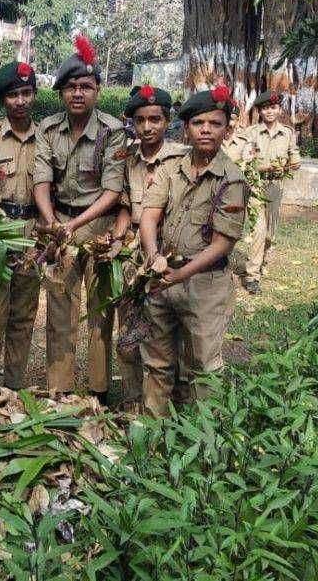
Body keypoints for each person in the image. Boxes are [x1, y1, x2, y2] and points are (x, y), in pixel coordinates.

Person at [138, 85, 250, 417]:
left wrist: (180, 274)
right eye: (198, 123)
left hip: (205, 285)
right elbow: (149, 215)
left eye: (215, 124)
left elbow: (222, 243)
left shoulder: (231, 180)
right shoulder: (171, 168)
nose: (206, 130)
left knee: (202, 365)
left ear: (226, 129)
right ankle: (153, 428)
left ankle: (201, 435)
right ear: (186, 128)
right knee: (157, 360)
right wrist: (154, 256)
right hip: (163, 276)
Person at [33, 35, 125, 403]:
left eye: (86, 86)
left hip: (98, 227)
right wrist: (52, 221)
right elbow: (42, 180)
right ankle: (61, 390)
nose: (78, 93)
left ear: (98, 90)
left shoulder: (112, 131)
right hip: (58, 224)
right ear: (60, 93)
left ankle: (99, 391)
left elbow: (112, 191)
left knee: (100, 312)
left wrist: (74, 225)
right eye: (71, 87)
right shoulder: (47, 129)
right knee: (59, 311)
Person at [111, 84, 189, 410]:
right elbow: (125, 205)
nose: (147, 127)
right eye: (140, 120)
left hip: (167, 253)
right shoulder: (129, 159)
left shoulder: (181, 158)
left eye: (155, 119)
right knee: (129, 327)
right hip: (134, 253)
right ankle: (132, 399)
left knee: (167, 330)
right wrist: (117, 240)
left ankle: (174, 401)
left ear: (167, 120)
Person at [0, 62, 41, 398]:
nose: (20, 101)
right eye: (13, 94)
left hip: (32, 233)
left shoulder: (47, 138)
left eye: (26, 93)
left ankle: (13, 385)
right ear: (3, 99)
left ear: (35, 95)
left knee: (23, 315)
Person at [227, 90, 300, 294]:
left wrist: (293, 163)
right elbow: (244, 159)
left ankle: (261, 262)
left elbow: (294, 156)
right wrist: (259, 166)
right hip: (256, 187)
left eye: (273, 107)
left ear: (279, 110)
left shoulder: (288, 133)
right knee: (258, 230)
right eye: (265, 108)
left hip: (276, 187)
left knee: (270, 233)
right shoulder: (251, 133)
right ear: (259, 111)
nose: (269, 112)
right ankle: (252, 276)